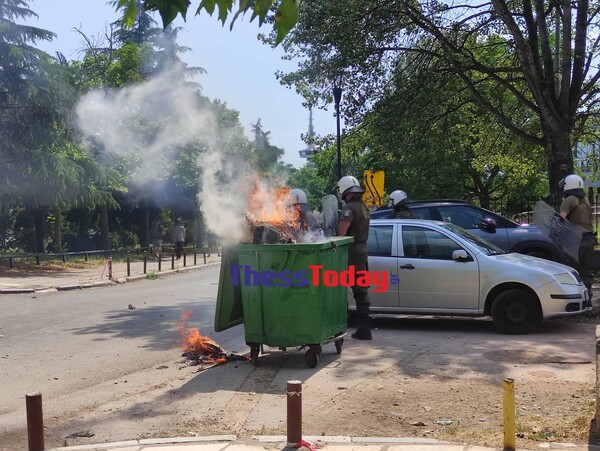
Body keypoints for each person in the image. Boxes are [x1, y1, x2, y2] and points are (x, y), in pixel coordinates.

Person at [337, 175, 372, 340]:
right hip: (362, 250)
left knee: (341, 286)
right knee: (361, 288)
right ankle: (365, 328)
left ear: (344, 191)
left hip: (351, 251)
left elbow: (342, 232)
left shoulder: (349, 208)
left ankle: (362, 329)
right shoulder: (364, 206)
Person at [559, 174, 596, 301]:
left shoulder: (568, 200)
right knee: (586, 270)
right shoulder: (586, 201)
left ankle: (575, 299)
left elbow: (561, 220)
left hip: (576, 240)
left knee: (573, 270)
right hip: (589, 239)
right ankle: (588, 299)